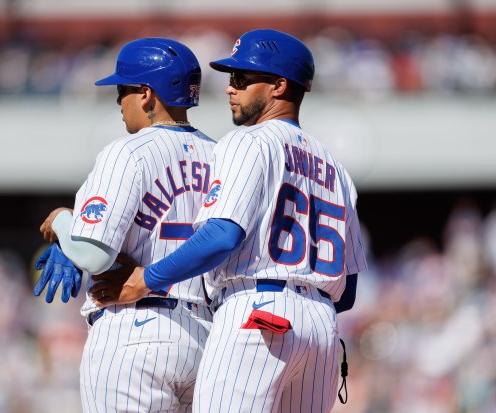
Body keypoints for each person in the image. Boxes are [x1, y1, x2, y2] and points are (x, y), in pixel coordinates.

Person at [91, 29, 368, 413]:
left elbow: (222, 235)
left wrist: (147, 279)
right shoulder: (337, 169)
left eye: (241, 79)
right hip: (322, 328)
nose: (229, 88)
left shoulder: (249, 141)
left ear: (278, 86)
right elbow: (349, 290)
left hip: (257, 312)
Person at [33, 37, 216, 413]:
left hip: (133, 328)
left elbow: (92, 254)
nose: (118, 101)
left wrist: (64, 222)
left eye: (123, 90)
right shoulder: (222, 154)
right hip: (205, 337)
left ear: (147, 94)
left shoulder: (127, 151)